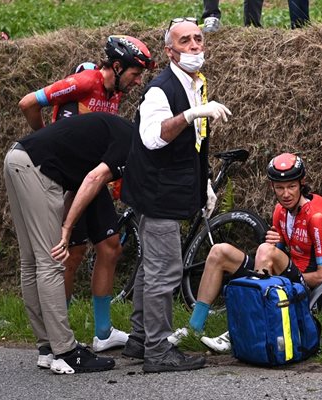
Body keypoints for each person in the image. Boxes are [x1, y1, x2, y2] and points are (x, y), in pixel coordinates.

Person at [17, 35, 155, 353]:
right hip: (67, 180)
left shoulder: (113, 94)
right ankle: (58, 336)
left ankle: (103, 332)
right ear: (117, 67)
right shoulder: (84, 81)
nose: (137, 82)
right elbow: (28, 103)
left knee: (110, 247)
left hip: (91, 180)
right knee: (72, 253)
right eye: (135, 74)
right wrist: (46, 138)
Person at [120, 19, 231, 373]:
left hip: (167, 188)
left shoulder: (194, 83)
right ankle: (158, 350)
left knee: (150, 268)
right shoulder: (161, 89)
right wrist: (192, 112)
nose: (196, 46)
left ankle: (140, 339)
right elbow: (153, 137)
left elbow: (192, 144)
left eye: (199, 39)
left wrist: (204, 184)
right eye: (186, 41)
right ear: (170, 51)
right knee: (164, 271)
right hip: (157, 193)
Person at [3, 112, 136, 374]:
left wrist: (66, 222)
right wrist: (65, 229)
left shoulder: (114, 132)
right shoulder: (131, 140)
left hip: (16, 158)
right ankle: (65, 351)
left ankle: (47, 348)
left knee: (31, 261)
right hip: (37, 169)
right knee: (52, 260)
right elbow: (93, 179)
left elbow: (78, 183)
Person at [174, 153, 322, 353]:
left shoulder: (316, 217)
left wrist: (275, 270)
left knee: (264, 251)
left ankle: (242, 331)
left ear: (301, 183)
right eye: (279, 187)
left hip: (310, 293)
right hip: (285, 279)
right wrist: (276, 255)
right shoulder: (280, 210)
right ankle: (194, 327)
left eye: (291, 186)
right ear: (272, 187)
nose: (286, 193)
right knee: (219, 252)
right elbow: (276, 256)